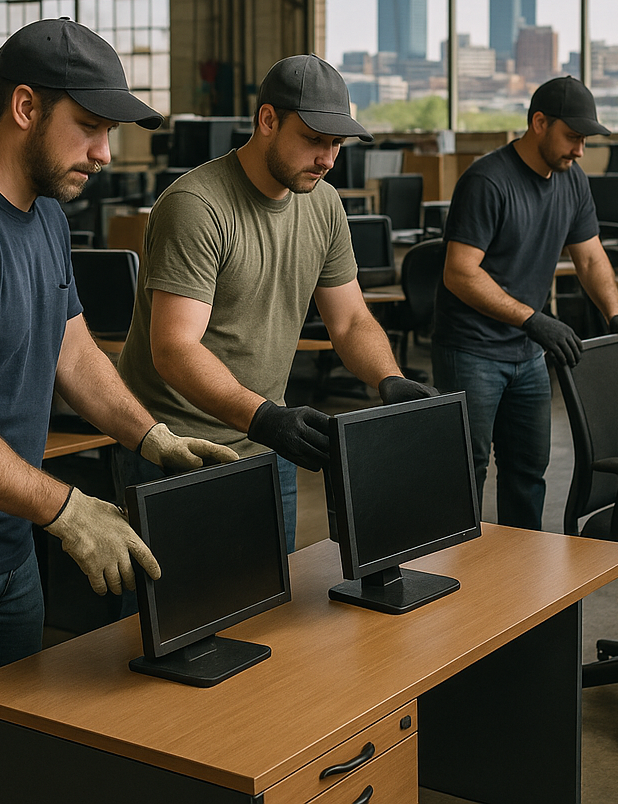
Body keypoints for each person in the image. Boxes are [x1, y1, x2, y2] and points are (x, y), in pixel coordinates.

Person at [0, 17, 238, 804]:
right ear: (25, 106)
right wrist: (67, 509)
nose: (105, 153)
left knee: (5, 763)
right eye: (91, 126)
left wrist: (154, 437)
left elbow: (75, 355)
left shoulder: (42, 215)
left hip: (10, 546)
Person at [116, 53, 435, 552]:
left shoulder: (323, 203)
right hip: (175, 448)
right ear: (267, 120)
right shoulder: (197, 206)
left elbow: (350, 321)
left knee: (274, 597)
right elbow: (174, 348)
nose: (328, 159)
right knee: (178, 601)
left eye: (336, 144)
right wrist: (264, 417)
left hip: (265, 440)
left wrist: (387, 379)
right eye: (314, 139)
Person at [431, 75, 618, 530]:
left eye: (585, 140)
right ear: (539, 123)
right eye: (572, 137)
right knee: (465, 471)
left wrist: (616, 314)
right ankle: (456, 568)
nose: (580, 151)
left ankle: (522, 569)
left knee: (528, 473)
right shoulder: (488, 181)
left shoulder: (572, 181)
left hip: (527, 354)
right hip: (472, 350)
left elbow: (590, 258)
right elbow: (459, 272)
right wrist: (533, 319)